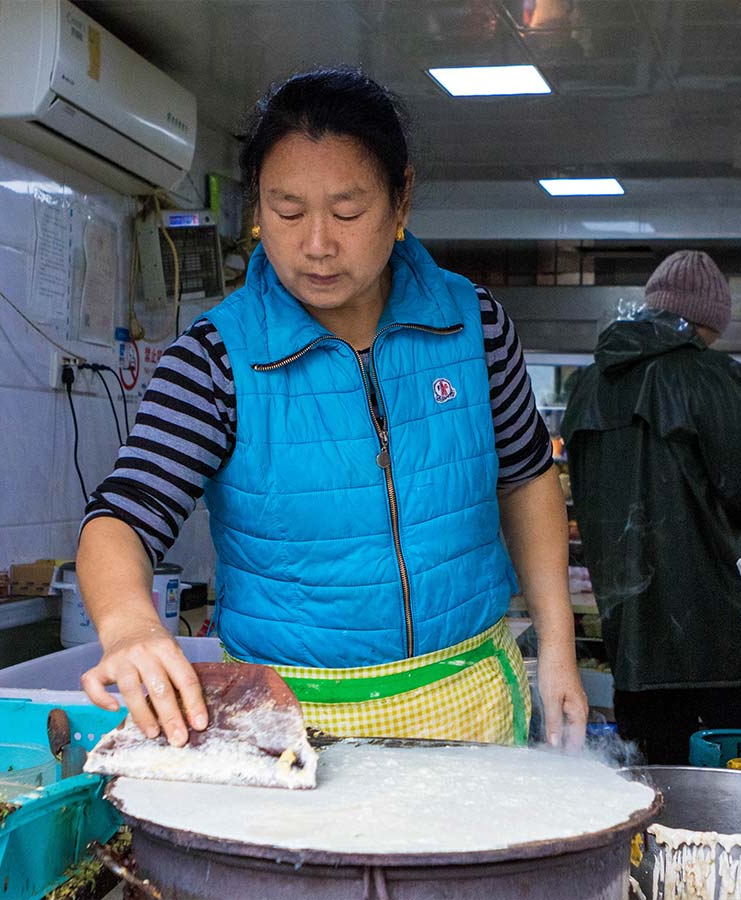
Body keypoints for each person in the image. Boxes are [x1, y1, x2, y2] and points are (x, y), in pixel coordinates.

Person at [77, 67, 586, 751]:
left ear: (400, 200)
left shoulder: (473, 325)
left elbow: (524, 478)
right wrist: (129, 625)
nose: (316, 244)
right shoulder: (217, 359)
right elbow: (122, 517)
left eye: (347, 212)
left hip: (469, 700)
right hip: (291, 722)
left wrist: (558, 645)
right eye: (286, 212)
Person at [561, 250, 741, 764]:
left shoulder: (588, 384)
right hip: (715, 643)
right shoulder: (706, 375)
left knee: (653, 789)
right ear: (711, 318)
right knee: (735, 795)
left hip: (630, 639)